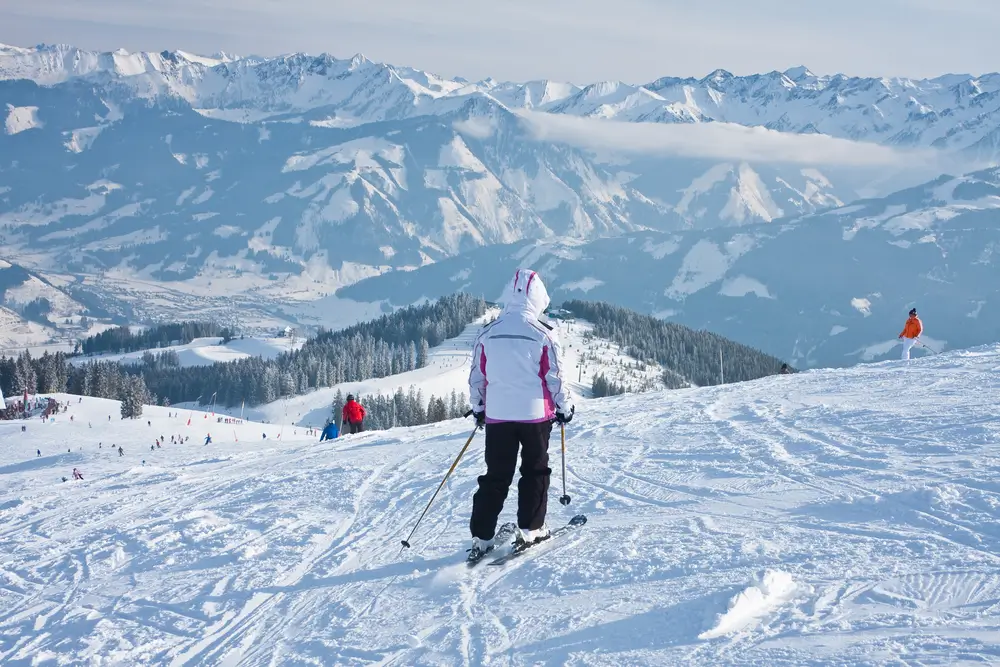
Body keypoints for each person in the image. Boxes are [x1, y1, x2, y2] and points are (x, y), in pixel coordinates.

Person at [467, 268, 574, 558]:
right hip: (534, 416)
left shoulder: (488, 333)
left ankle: (482, 536)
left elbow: (479, 375)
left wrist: (479, 406)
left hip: (498, 417)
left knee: (496, 474)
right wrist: (564, 407)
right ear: (538, 297)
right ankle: (531, 528)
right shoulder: (543, 335)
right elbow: (555, 377)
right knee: (534, 470)